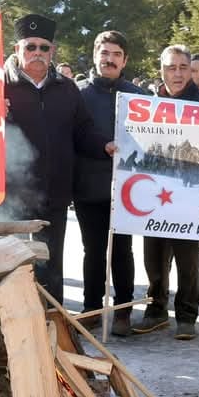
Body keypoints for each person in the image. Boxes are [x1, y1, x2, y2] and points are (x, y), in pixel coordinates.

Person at [1, 13, 111, 304]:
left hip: (55, 197)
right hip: (11, 199)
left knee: (51, 270)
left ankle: (53, 332)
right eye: (30, 46)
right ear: (17, 49)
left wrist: (106, 146)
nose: (37, 53)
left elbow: (83, 129)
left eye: (44, 48)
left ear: (52, 51)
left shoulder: (66, 88)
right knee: (12, 272)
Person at [133, 45, 199, 340]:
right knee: (153, 256)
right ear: (161, 70)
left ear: (191, 70)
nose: (176, 73)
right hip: (154, 193)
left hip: (190, 194)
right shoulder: (148, 104)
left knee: (187, 259)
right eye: (170, 67)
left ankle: (187, 315)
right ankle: (155, 311)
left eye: (182, 67)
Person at [75, 30, 145, 335]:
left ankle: (122, 311)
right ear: (95, 56)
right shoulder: (77, 94)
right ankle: (91, 308)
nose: (110, 60)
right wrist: (101, 145)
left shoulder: (138, 96)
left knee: (122, 251)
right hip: (88, 185)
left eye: (116, 55)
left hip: (126, 189)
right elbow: (73, 135)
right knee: (92, 250)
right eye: (105, 54)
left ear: (125, 60)